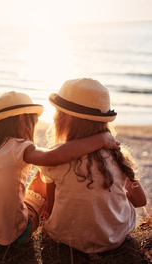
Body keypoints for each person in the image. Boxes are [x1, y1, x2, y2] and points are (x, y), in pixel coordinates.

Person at [0, 91, 120, 247]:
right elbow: (51, 158)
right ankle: (46, 215)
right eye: (34, 120)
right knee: (41, 176)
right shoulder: (18, 146)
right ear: (22, 118)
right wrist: (100, 139)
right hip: (13, 235)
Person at [40, 78, 147, 253]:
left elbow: (50, 207)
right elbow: (140, 201)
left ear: (65, 118)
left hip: (66, 238)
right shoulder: (118, 156)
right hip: (115, 238)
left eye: (57, 113)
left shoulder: (56, 157)